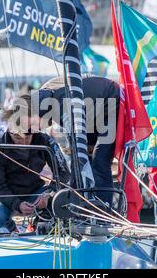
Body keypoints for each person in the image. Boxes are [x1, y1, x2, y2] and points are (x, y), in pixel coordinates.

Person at [33, 74, 120, 206]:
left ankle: (103, 208)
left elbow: (76, 150)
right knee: (81, 160)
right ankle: (84, 203)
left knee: (100, 161)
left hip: (111, 101)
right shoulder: (52, 99)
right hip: (94, 109)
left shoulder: (61, 107)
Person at [0, 95, 71, 232]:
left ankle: (40, 226)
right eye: (17, 136)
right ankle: (10, 231)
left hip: (36, 192)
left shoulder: (45, 141)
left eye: (27, 136)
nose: (23, 140)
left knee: (60, 199)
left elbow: (63, 173)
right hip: (7, 196)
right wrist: (17, 204)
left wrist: (49, 193)